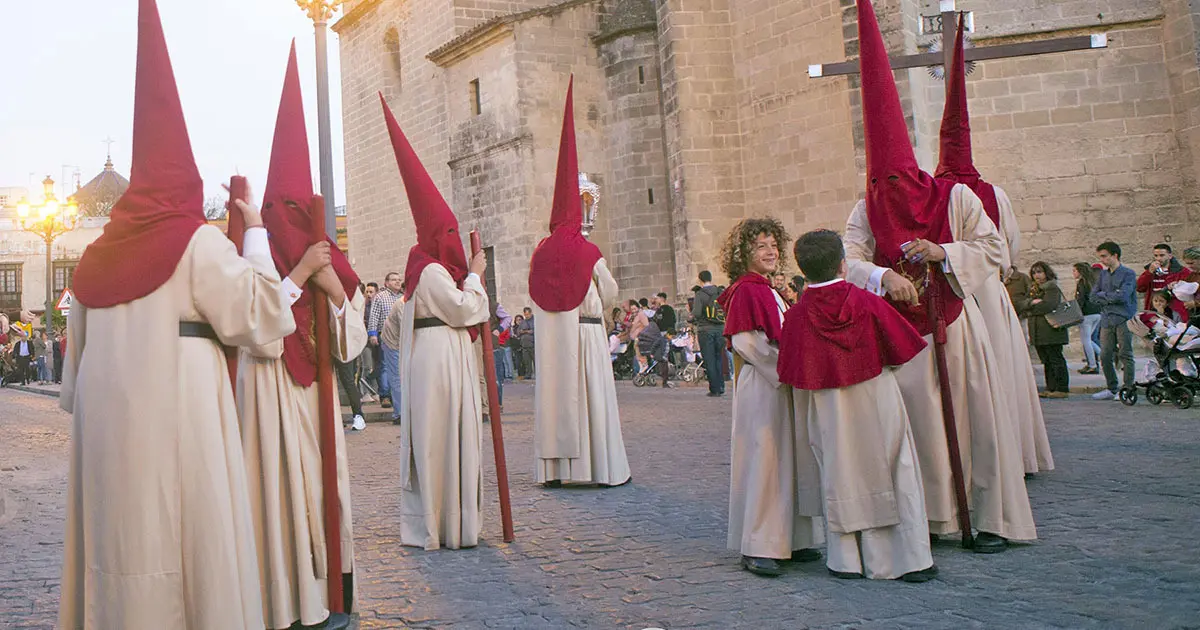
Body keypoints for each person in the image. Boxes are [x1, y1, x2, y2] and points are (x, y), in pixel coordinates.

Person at [58, 2, 296, 626]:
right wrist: (254, 233)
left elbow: (69, 387)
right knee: (193, 550)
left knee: (120, 545)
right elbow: (268, 316)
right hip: (185, 416)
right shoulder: (197, 242)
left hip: (108, 437)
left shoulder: (94, 258)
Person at [840, 0, 1035, 553]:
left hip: (955, 325)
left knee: (973, 421)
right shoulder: (866, 207)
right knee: (918, 428)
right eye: (880, 181)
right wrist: (881, 277)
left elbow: (993, 248)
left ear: (915, 172)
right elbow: (847, 258)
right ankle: (930, 517)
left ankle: (985, 516)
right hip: (900, 335)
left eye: (897, 179)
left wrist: (942, 252)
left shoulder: (956, 197)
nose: (890, 192)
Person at [236, 47, 366, 629]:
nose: (286, 216)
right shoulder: (250, 257)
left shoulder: (326, 260)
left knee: (327, 490)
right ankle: (286, 598)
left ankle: (335, 589)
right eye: (278, 208)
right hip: (270, 395)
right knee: (281, 494)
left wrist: (332, 287)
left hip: (318, 401)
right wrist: (296, 275)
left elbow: (352, 340)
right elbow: (255, 326)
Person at [779, 229, 936, 582]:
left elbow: (789, 372)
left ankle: (847, 560)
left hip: (827, 406)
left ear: (803, 270)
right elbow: (900, 350)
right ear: (843, 265)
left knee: (839, 472)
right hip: (877, 395)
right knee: (897, 470)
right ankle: (908, 559)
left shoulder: (797, 317)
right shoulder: (868, 302)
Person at [933, 17, 1052, 475]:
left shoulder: (933, 194)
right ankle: (1014, 458)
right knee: (1002, 374)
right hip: (987, 291)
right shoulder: (994, 193)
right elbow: (1010, 249)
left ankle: (969, 461)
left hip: (951, 293)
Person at [382, 95, 490, 550]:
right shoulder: (429, 270)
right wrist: (478, 277)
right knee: (442, 438)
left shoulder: (416, 273)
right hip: (442, 359)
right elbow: (465, 310)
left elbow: (391, 328)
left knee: (439, 437)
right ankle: (444, 523)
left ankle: (445, 519)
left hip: (434, 357)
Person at [529, 80, 631, 489]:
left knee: (557, 399)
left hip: (552, 337)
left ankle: (556, 471)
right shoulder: (588, 252)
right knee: (591, 404)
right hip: (587, 335)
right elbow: (610, 292)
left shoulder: (540, 251)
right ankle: (595, 468)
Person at [718, 217, 822, 577]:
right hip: (765, 386)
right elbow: (748, 343)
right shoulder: (748, 290)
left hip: (779, 383)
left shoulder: (769, 289)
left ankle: (792, 537)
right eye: (761, 245)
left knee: (786, 457)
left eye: (774, 245)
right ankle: (759, 544)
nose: (771, 251)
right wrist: (788, 369)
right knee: (765, 459)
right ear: (743, 252)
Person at [1091, 241, 1138, 400]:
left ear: (1114, 255)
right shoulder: (1103, 274)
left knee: (1125, 353)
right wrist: (1109, 296)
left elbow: (1124, 295)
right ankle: (1112, 388)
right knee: (1105, 355)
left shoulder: (1128, 273)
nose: (1102, 260)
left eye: (1104, 256)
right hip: (1106, 318)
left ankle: (1128, 388)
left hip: (1123, 318)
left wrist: (1104, 295)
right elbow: (1092, 296)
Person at [1024, 262, 1070, 399]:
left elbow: (1048, 306)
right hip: (1038, 331)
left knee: (1056, 359)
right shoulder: (1034, 289)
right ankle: (1051, 388)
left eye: (1039, 272)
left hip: (1051, 330)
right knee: (1046, 361)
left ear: (1046, 273)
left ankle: (1061, 388)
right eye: (1034, 272)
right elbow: (1023, 303)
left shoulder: (1051, 287)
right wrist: (1031, 303)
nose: (1037, 275)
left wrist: (1030, 308)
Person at [368, 271, 402, 407]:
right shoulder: (380, 297)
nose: (397, 282)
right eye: (394, 280)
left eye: (399, 280)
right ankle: (385, 395)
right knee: (384, 366)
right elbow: (374, 316)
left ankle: (397, 396)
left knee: (399, 368)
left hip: (400, 336)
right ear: (386, 283)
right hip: (384, 335)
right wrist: (373, 333)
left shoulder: (403, 297)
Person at [692, 271, 726, 397]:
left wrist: (691, 318)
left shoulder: (700, 294)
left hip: (705, 329)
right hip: (720, 329)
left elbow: (696, 313)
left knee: (709, 359)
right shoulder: (719, 291)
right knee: (718, 358)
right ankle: (721, 385)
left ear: (700, 280)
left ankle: (714, 388)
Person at [1136, 243, 1185, 311]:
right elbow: (1139, 288)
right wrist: (1149, 272)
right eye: (1156, 256)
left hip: (1173, 309)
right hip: (1153, 309)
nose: (1158, 258)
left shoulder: (1181, 271)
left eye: (1162, 255)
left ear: (1170, 256)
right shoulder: (1150, 271)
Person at [1073, 263, 1102, 374]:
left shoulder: (1082, 283)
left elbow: (1080, 300)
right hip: (1097, 313)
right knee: (1089, 340)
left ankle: (1092, 365)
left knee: (1086, 341)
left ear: (1080, 272)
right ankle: (1106, 356)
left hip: (1087, 314)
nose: (1073, 273)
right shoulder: (1093, 282)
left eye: (1075, 271)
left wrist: (1076, 313)